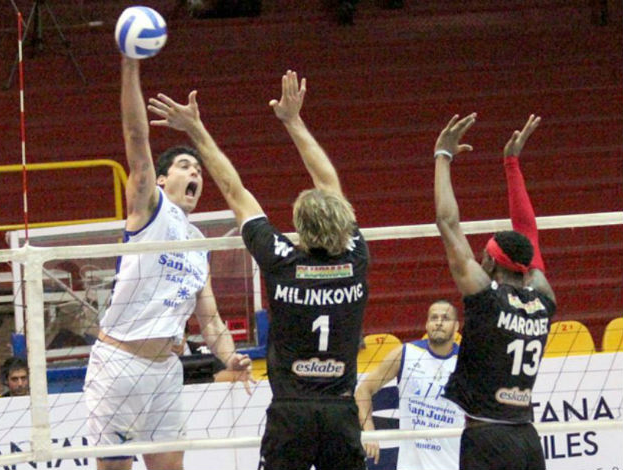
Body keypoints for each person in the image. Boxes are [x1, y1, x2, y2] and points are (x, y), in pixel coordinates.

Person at [148, 70, 369, 470]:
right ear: (342, 221)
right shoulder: (354, 259)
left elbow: (234, 190)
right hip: (340, 411)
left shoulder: (282, 260)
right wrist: (294, 121)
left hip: (291, 413)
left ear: (299, 228)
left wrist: (196, 128)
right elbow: (329, 183)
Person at [83, 55, 252, 470]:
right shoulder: (150, 207)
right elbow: (135, 137)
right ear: (161, 179)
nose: (196, 174)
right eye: (184, 166)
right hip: (119, 365)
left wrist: (230, 356)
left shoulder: (198, 244)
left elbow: (210, 321)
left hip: (165, 371)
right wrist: (129, 66)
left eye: (199, 170)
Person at [433, 113, 556, 470]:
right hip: (527, 440)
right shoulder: (544, 298)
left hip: (487, 439)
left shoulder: (485, 298)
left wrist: (443, 156)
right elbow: (528, 232)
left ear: (490, 262)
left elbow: (447, 223)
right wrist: (511, 164)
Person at [355, 300, 463, 470]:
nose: (439, 323)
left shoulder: (468, 363)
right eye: (434, 318)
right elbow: (363, 391)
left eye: (445, 318)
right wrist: (369, 431)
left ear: (456, 326)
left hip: (452, 463)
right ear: (426, 324)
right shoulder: (406, 353)